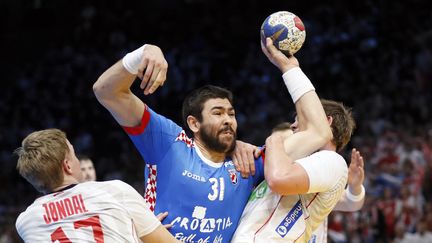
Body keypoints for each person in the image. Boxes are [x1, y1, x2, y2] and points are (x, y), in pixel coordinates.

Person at [92, 38, 331, 242]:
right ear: (194, 123)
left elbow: (318, 133)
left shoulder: (250, 163)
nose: (228, 120)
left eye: (231, 113)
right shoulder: (169, 143)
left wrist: (290, 69)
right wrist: (142, 53)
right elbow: (106, 92)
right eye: (217, 113)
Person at [15, 128, 179, 242]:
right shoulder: (114, 191)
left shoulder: (26, 222)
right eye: (73, 154)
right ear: (68, 166)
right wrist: (145, 231)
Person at [231, 97, 356, 242]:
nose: (293, 125)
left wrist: (275, 140)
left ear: (326, 121)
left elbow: (278, 180)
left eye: (300, 120)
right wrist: (237, 147)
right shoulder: (295, 163)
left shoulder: (332, 161)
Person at [266, 122, 366, 243]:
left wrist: (355, 186)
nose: (286, 151)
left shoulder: (315, 184)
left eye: (290, 144)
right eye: (280, 147)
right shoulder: (261, 186)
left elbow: (351, 203)